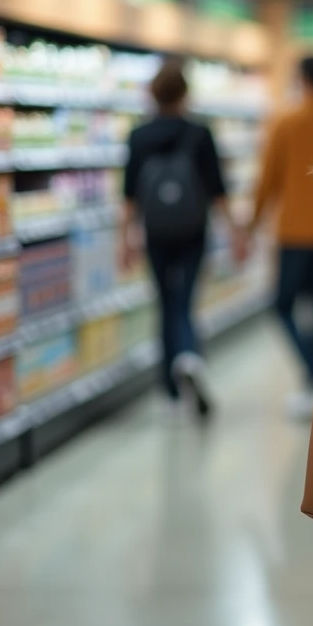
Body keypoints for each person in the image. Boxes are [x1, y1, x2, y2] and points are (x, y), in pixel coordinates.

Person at [121, 59, 245, 421]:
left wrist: (125, 238)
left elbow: (128, 195)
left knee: (165, 301)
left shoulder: (139, 135)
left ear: (153, 94)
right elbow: (217, 190)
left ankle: (170, 389)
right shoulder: (199, 133)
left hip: (156, 231)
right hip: (193, 229)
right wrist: (235, 232)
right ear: (185, 94)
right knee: (186, 301)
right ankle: (190, 355)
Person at [248, 56, 313, 420]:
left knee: (282, 305)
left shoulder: (285, 120)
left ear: (301, 78)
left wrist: (252, 223)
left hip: (294, 232)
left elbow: (268, 177)